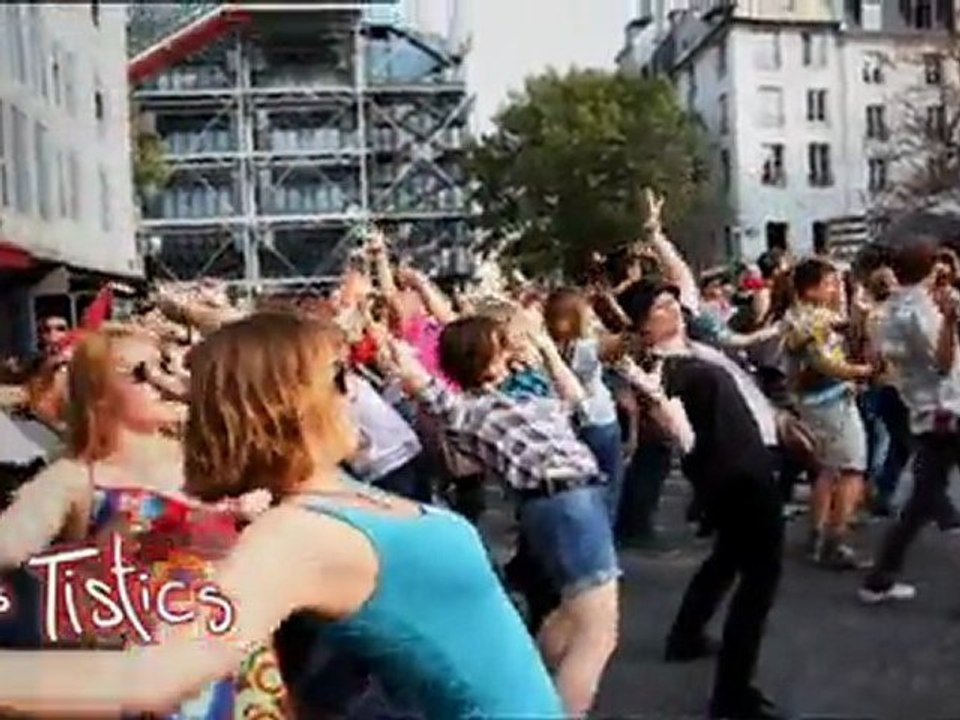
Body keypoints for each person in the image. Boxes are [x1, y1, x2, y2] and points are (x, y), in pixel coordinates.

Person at [0, 313, 563, 720]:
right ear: (287, 405)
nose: (356, 394)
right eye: (340, 378)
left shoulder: (332, 495)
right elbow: (154, 675)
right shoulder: (296, 534)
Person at [0, 326, 284, 717]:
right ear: (99, 394)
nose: (160, 381)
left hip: (239, 662)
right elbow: (10, 544)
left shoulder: (211, 457)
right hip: (150, 674)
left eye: (165, 366)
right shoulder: (78, 476)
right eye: (141, 372)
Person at [383, 315, 617, 716]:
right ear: (481, 355)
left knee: (567, 618)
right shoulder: (469, 410)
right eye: (500, 342)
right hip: (567, 502)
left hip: (566, 503)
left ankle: (524, 692)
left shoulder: (517, 392)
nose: (509, 346)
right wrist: (396, 351)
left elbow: (577, 402)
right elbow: (428, 390)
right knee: (596, 634)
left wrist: (542, 346)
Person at [623, 277, 785, 720]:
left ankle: (687, 636)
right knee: (758, 581)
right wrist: (656, 400)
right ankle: (733, 693)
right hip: (737, 475)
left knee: (729, 559)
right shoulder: (660, 370)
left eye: (672, 301)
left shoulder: (688, 353)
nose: (673, 309)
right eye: (659, 307)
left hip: (743, 464)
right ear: (641, 325)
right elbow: (683, 438)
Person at [860, 239, 960, 603]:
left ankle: (879, 578)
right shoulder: (921, 312)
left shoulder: (889, 311)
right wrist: (950, 320)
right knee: (921, 500)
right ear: (931, 268)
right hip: (947, 408)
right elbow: (943, 363)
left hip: (926, 410)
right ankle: (879, 578)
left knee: (921, 501)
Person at [783, 257, 874, 569]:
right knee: (852, 468)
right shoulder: (808, 322)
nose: (836, 288)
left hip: (819, 401)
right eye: (830, 283)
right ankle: (836, 539)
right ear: (810, 289)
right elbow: (825, 362)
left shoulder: (810, 317)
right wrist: (862, 371)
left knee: (826, 470)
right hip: (828, 402)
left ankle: (818, 535)